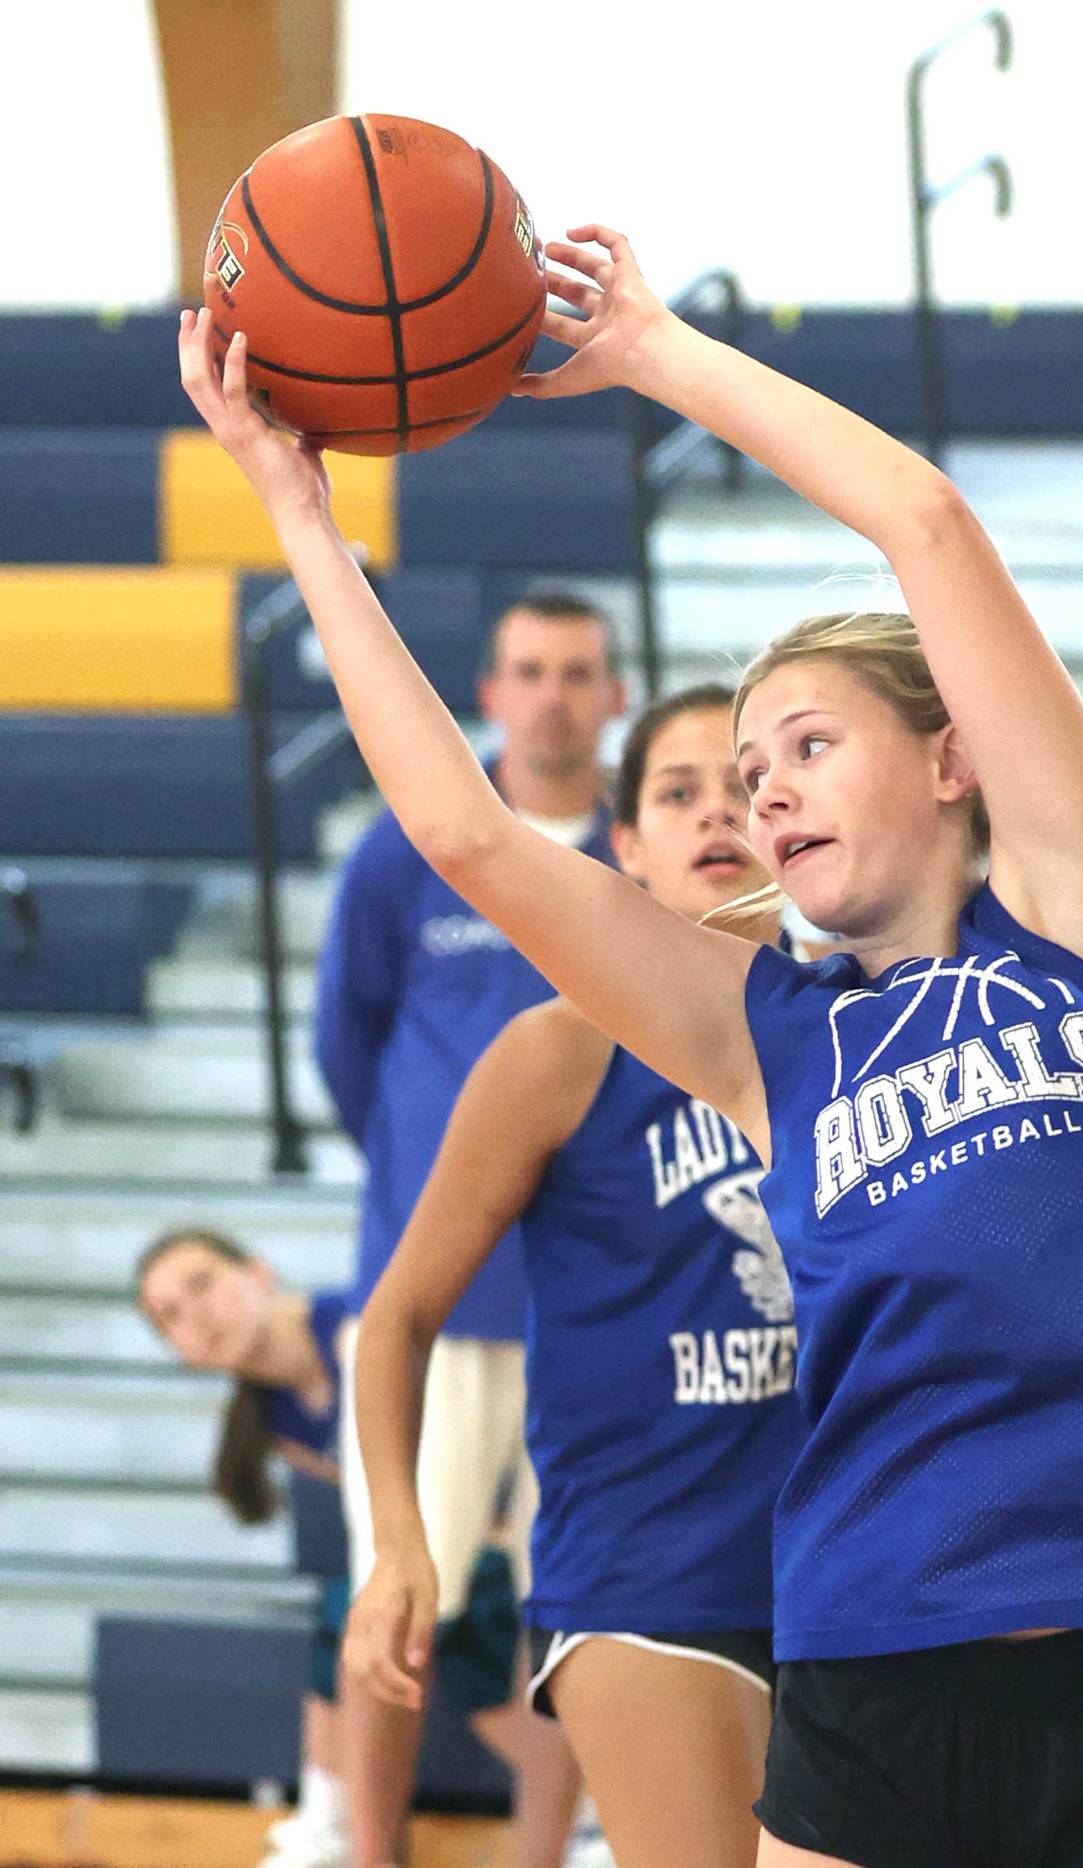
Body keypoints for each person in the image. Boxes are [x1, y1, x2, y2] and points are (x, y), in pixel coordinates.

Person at [179, 217, 1083, 1868]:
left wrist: (653, 352)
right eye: (744, 765)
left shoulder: (1080, 918)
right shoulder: (763, 1033)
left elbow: (923, 518)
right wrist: (294, 507)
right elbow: (473, 838)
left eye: (804, 741)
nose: (763, 786)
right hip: (870, 1666)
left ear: (948, 762)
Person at [343, 684, 804, 1868]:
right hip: (646, 1573)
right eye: (678, 791)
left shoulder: (868, 1026)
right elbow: (396, 1316)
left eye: (745, 787)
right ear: (628, 846)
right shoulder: (555, 1051)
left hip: (856, 1561)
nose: (720, 814)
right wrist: (401, 1538)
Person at [313, 589, 624, 1868]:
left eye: (578, 672)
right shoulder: (405, 850)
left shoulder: (643, 853)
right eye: (530, 671)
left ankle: (539, 1852)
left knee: (579, 1612)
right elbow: (349, 1047)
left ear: (614, 696)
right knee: (393, 1603)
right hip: (431, 1302)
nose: (553, 693)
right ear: (489, 693)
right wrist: (434, 1189)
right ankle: (366, 1848)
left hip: (593, 1308)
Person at [136, 1227, 352, 1868]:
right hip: (456, 1550)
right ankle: (328, 1822)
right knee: (342, 1617)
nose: (195, 1316)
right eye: (169, 1316)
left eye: (201, 1284)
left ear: (259, 1272)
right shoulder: (278, 1421)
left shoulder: (354, 1322)